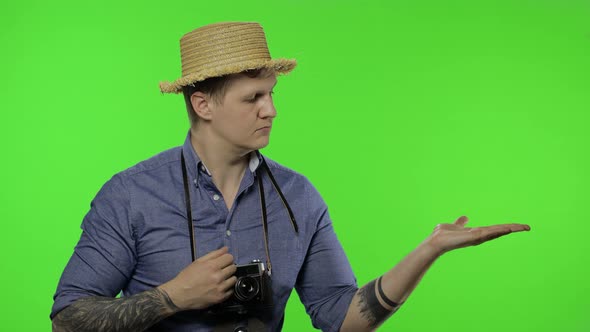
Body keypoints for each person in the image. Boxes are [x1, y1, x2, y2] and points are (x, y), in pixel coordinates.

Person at [50, 21, 530, 332]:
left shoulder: (298, 196)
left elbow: (341, 318)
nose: (272, 110)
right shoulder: (130, 195)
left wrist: (429, 251)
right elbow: (67, 321)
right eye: (253, 98)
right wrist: (172, 297)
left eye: (272, 94)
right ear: (203, 104)